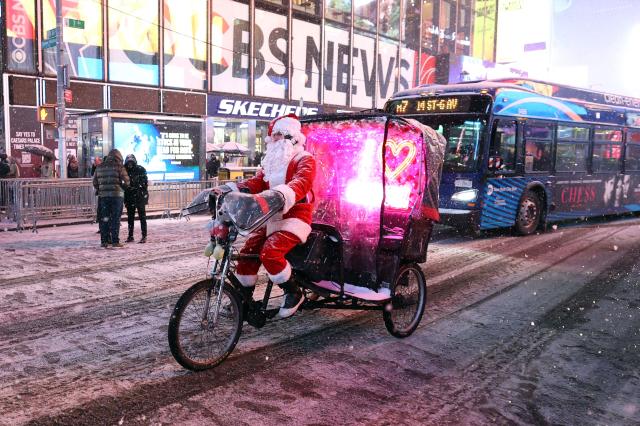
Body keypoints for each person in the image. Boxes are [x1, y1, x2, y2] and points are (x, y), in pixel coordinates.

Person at [214, 114, 315, 318]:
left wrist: (281, 193)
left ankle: (293, 292)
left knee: (271, 252)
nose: (273, 139)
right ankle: (242, 298)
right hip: (269, 218)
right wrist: (234, 189)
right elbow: (257, 183)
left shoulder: (304, 159)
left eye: (278, 135)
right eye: (273, 136)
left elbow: (301, 182)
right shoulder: (271, 163)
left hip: (294, 218)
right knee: (248, 252)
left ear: (290, 136)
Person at [93, 149, 129, 248]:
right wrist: (121, 189)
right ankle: (115, 241)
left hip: (103, 197)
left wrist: (101, 190)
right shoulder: (119, 167)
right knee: (115, 219)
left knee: (105, 218)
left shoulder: (99, 167)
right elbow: (126, 182)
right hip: (117, 197)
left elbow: (95, 182)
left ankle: (104, 241)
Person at [123, 154, 148, 243]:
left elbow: (144, 183)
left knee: (141, 217)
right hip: (130, 197)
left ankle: (144, 235)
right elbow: (123, 184)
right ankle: (130, 236)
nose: (130, 164)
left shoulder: (140, 169)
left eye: (131, 162)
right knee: (131, 218)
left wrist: (136, 187)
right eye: (128, 162)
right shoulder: (124, 170)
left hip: (139, 196)